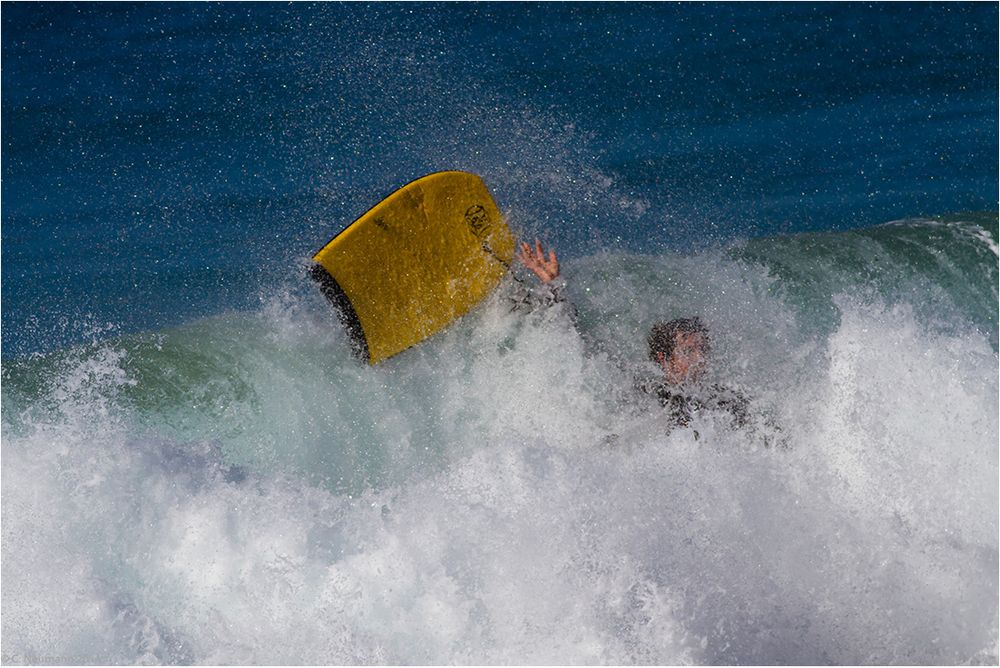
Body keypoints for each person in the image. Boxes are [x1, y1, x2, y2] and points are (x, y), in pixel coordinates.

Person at [517, 238, 769, 439]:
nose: (699, 358)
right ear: (664, 359)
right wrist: (554, 288)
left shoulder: (725, 400)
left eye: (703, 349)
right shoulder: (644, 394)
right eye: (688, 351)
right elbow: (579, 350)